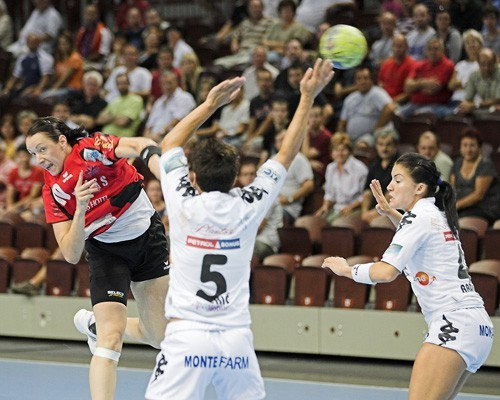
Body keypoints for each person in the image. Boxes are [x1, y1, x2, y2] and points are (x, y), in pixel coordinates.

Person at [145, 59, 333, 400]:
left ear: (194, 178)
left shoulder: (182, 200)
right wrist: (307, 96)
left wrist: (210, 105)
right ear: (235, 178)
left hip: (187, 335)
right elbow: (286, 154)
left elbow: (169, 143)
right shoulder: (249, 204)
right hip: (235, 339)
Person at [322, 152, 494, 400]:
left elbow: (386, 272)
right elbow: (418, 236)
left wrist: (347, 270)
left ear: (419, 188)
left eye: (398, 180)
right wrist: (391, 213)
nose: (390, 186)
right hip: (477, 326)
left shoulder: (418, 218)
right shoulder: (437, 214)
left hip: (453, 322)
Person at [25, 117, 170, 400]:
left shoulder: (92, 150)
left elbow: (141, 145)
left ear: (62, 142)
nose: (39, 159)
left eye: (42, 149)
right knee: (110, 340)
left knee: (160, 337)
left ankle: (95, 324)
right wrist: (80, 209)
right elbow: (70, 253)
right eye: (33, 153)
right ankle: (103, 330)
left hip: (147, 239)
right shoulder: (52, 192)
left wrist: (169, 179)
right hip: (106, 252)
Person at [315, 132, 367, 223]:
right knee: (317, 222)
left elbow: (364, 196)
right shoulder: (330, 168)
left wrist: (350, 207)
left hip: (355, 209)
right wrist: (325, 206)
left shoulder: (360, 169)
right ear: (331, 153)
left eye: (343, 150)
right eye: (336, 150)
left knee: (337, 224)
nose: (340, 153)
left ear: (349, 151)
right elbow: (329, 194)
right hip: (336, 208)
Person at [450, 128, 500, 224]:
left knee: (458, 220)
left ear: (479, 147)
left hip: (484, 209)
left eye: (472, 145)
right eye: (465, 145)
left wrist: (456, 205)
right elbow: (453, 189)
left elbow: (478, 195)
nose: (468, 149)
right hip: (462, 208)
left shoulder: (485, 164)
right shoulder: (457, 163)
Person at [337, 66, 395, 148]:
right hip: (350, 138)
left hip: (370, 135)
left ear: (371, 80)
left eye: (365, 78)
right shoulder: (350, 98)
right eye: (359, 79)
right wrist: (341, 137)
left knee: (361, 146)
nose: (362, 81)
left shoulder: (377, 93)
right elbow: (342, 122)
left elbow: (390, 108)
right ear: (355, 82)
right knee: (337, 144)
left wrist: (377, 128)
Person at [237, 160, 282, 261]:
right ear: (239, 178)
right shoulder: (239, 196)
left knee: (237, 251)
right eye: (245, 174)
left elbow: (258, 227)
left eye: (252, 174)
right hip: (248, 240)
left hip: (265, 242)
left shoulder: (267, 194)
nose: (249, 177)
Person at [144, 71, 196, 142]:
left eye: (169, 83)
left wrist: (159, 134)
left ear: (176, 82)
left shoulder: (185, 97)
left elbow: (176, 121)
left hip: (172, 138)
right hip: (153, 139)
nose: (167, 86)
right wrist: (146, 138)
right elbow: (148, 126)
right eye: (164, 84)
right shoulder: (159, 102)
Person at [97, 73, 144, 138]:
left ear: (129, 84)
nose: (121, 86)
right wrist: (117, 118)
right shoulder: (114, 100)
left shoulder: (136, 99)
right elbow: (100, 119)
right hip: (103, 137)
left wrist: (109, 119)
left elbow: (123, 121)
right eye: (119, 84)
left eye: (124, 83)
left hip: (121, 139)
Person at [457, 48, 500, 117]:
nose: (486, 68)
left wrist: (475, 104)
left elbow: (498, 100)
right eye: (483, 64)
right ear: (478, 63)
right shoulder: (474, 75)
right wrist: (464, 105)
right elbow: (468, 98)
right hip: (484, 109)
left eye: (490, 64)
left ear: (495, 62)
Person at [378, 33, 416, 105]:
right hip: (384, 101)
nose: (397, 49)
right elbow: (380, 84)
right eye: (395, 46)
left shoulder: (412, 65)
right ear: (392, 47)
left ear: (407, 47)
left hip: (401, 103)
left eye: (400, 46)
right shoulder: (386, 64)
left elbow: (409, 93)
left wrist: (392, 103)